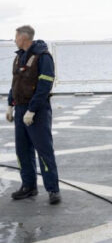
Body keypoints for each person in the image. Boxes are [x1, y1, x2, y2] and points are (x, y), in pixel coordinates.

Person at [6, 25, 61, 205]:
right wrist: (10, 104)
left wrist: (32, 109)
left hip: (37, 110)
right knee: (22, 151)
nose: (14, 39)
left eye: (16, 36)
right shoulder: (19, 57)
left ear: (24, 37)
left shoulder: (43, 57)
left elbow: (45, 85)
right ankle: (28, 186)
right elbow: (16, 83)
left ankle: (53, 189)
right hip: (21, 108)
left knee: (44, 150)